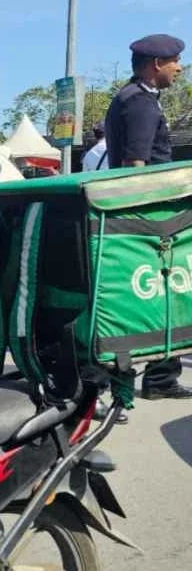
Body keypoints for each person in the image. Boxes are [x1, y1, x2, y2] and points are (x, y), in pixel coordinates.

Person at [103, 32, 191, 400]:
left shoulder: (135, 97)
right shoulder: (139, 102)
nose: (179, 68)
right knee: (159, 297)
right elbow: (136, 166)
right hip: (151, 219)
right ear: (157, 65)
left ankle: (161, 376)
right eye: (175, 62)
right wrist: (145, 223)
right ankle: (156, 379)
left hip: (151, 218)